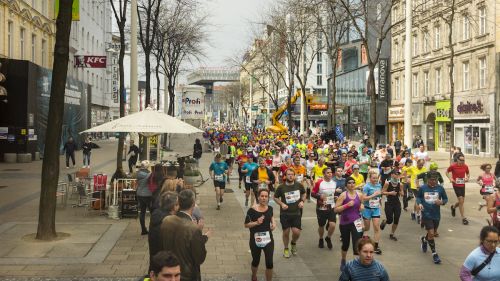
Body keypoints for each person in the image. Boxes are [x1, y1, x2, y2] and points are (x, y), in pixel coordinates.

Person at [161, 189, 209, 281]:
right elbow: (199, 258)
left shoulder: (167, 220)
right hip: (187, 275)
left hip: (169, 271)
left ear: (178, 202)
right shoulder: (193, 229)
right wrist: (199, 233)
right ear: (193, 204)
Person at [416, 171, 448, 264]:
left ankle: (424, 239)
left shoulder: (440, 188)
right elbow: (418, 197)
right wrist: (420, 203)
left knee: (432, 234)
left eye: (435, 179)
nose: (434, 181)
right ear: (428, 179)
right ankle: (434, 254)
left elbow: (445, 199)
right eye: (431, 180)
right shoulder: (423, 188)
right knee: (431, 232)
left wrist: (441, 202)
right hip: (426, 214)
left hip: (436, 214)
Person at [245, 189, 276, 281]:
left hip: (268, 239)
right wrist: (256, 223)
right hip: (255, 240)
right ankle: (254, 276)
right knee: (256, 261)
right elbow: (246, 225)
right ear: (258, 197)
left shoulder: (270, 208)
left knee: (269, 263)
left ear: (268, 198)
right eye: (262, 196)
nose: (264, 198)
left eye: (266, 196)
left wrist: (274, 224)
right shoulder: (251, 210)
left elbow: (271, 216)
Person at [273, 168, 306, 258]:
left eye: (292, 174)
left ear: (294, 176)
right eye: (288, 174)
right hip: (285, 214)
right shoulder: (281, 187)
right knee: (286, 232)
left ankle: (293, 243)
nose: (291, 176)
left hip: (296, 213)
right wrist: (281, 203)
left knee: (296, 232)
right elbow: (275, 197)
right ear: (285, 176)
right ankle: (286, 248)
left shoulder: (299, 185)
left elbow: (304, 193)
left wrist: (302, 201)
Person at [335, 176, 364, 271]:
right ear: (346, 185)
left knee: (357, 244)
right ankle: (343, 260)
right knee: (345, 244)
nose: (352, 184)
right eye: (349, 183)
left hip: (358, 222)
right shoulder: (343, 195)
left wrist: (362, 206)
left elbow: (362, 204)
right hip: (345, 222)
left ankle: (356, 265)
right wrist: (347, 205)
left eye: (353, 182)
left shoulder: (359, 194)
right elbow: (336, 209)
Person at [148, 192, 179, 272]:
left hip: (155, 259)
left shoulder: (156, 214)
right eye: (178, 204)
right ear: (174, 206)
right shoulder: (168, 222)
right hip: (165, 264)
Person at [311, 167, 339, 250]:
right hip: (321, 208)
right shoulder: (319, 183)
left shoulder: (334, 183)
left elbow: (334, 194)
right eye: (328, 173)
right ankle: (321, 238)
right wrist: (319, 196)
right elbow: (312, 193)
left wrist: (336, 197)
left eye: (331, 172)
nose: (330, 174)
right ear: (324, 174)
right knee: (321, 226)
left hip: (332, 207)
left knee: (333, 225)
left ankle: (328, 237)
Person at [362, 171, 383, 255]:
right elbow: (363, 198)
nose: (375, 179)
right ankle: (359, 234)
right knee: (366, 228)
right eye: (373, 178)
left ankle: (376, 246)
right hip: (367, 209)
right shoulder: (366, 186)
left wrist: (380, 201)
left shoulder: (379, 185)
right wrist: (373, 195)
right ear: (370, 178)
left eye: (376, 178)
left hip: (376, 209)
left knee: (376, 227)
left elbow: (379, 195)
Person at [446, 155, 470, 225]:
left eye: (464, 160)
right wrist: (450, 179)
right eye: (461, 160)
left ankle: (453, 207)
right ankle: (463, 218)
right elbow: (447, 172)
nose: (463, 161)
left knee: (461, 202)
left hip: (462, 184)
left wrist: (467, 178)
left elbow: (468, 173)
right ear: (458, 160)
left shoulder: (465, 166)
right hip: (456, 185)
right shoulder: (453, 166)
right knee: (461, 200)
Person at [380, 171, 402, 241]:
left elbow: (402, 192)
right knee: (390, 220)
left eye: (398, 174)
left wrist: (402, 193)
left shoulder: (400, 184)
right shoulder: (387, 183)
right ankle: (385, 221)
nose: (397, 175)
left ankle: (392, 234)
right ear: (392, 175)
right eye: (396, 174)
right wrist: (390, 193)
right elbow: (382, 192)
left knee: (396, 219)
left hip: (397, 203)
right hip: (388, 203)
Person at [137, 161, 152, 235]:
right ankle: (152, 228)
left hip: (139, 194)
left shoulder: (138, 173)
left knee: (142, 212)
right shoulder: (149, 174)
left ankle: (143, 229)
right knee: (152, 212)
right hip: (147, 194)